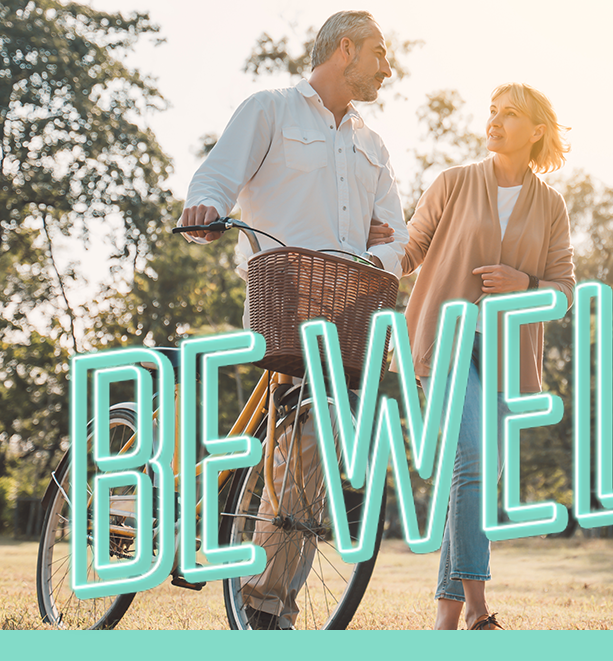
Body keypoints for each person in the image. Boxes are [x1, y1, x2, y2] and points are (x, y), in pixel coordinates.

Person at [178, 10, 409, 629]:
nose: (388, 66)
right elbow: (219, 174)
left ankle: (267, 600)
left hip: (347, 310)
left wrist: (372, 250)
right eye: (380, 53)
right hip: (284, 298)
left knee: (314, 446)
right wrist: (205, 207)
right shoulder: (271, 109)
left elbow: (399, 235)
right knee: (301, 441)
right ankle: (264, 601)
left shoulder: (373, 143)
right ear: (346, 51)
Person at [369, 82, 575, 630]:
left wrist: (523, 280)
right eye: (492, 111)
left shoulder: (551, 206)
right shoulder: (453, 183)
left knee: (476, 474)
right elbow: (410, 250)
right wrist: (375, 246)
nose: (495, 120)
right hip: (445, 339)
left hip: (510, 355)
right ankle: (480, 612)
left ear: (535, 131)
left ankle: (445, 617)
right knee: (472, 458)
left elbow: (564, 292)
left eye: (510, 113)